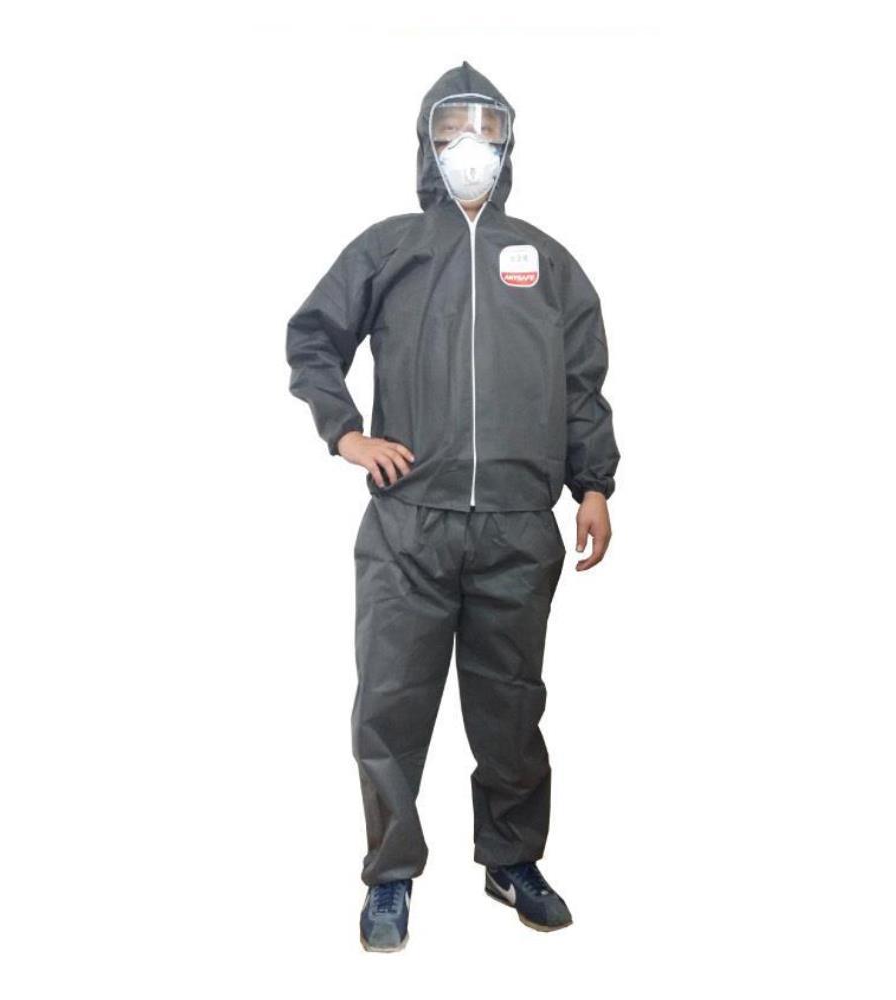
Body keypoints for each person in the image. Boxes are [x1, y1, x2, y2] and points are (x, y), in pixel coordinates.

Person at [285, 62, 620, 952]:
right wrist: (346, 433)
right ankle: (390, 874)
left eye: (486, 130)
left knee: (511, 708)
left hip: (518, 526)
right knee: (390, 706)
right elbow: (314, 338)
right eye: (451, 130)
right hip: (410, 524)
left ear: (509, 145)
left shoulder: (548, 263)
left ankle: (512, 861)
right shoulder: (390, 248)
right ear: (426, 144)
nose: (470, 146)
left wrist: (593, 483)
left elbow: (582, 384)